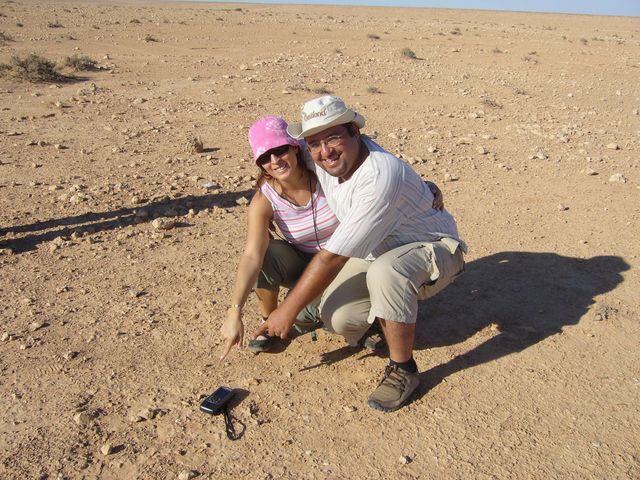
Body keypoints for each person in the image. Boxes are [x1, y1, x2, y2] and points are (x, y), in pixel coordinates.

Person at [251, 96, 466, 412]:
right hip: (376, 251)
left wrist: (285, 311)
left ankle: (402, 369)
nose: (325, 151)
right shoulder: (321, 159)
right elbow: (279, 158)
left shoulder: (378, 175)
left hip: (433, 248)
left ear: (355, 131)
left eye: (333, 137)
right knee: (340, 320)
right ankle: (380, 320)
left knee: (387, 273)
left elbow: (332, 258)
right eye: (314, 143)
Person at [219, 116, 340, 360]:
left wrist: (425, 188)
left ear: (295, 147)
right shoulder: (264, 200)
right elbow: (252, 256)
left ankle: (368, 322)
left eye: (279, 150)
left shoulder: (326, 174)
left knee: (315, 317)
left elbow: (373, 175)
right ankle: (270, 322)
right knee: (267, 252)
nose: (274, 160)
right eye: (265, 157)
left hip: (341, 260)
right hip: (304, 263)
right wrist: (235, 311)